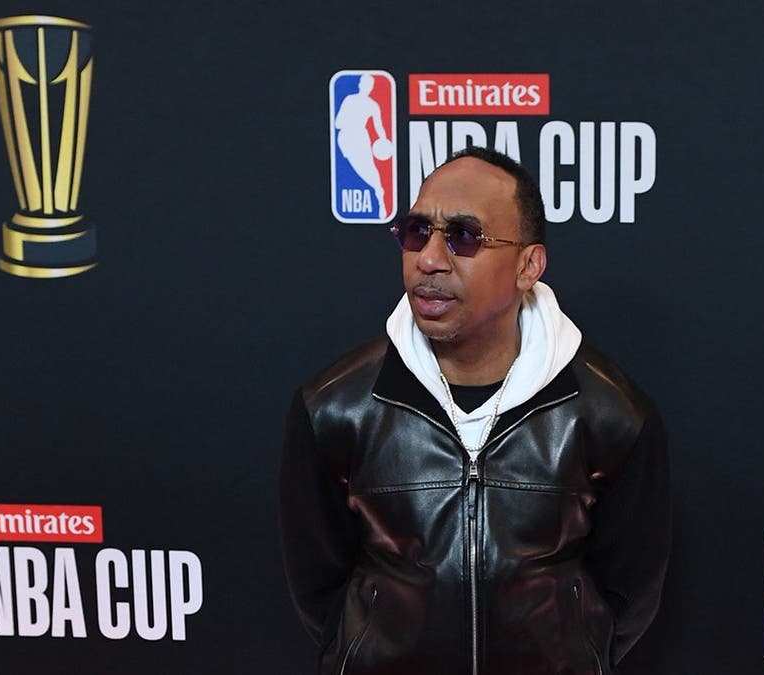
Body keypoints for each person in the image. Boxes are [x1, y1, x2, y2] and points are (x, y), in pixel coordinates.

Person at [280, 146, 670, 674]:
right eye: (417, 232)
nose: (429, 259)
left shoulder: (610, 414)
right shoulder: (335, 407)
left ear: (527, 266)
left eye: (463, 237)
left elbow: (627, 596)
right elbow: (320, 591)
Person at [334, 73, 391, 219]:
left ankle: (380, 196)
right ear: (360, 85)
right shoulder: (349, 100)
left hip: (361, 138)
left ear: (371, 87)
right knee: (361, 171)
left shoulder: (372, 105)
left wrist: (383, 140)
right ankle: (379, 193)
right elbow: (337, 123)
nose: (366, 87)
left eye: (369, 85)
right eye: (364, 83)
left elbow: (379, 127)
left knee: (371, 171)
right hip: (346, 139)